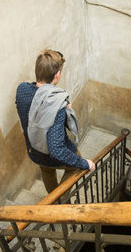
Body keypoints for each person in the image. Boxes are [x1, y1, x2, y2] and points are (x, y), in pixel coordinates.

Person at [15, 49, 95, 201]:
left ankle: (53, 198)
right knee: (75, 165)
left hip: (35, 151)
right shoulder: (57, 102)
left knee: (46, 171)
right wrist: (85, 164)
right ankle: (60, 201)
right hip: (51, 155)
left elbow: (30, 110)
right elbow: (56, 149)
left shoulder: (22, 90)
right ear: (57, 74)